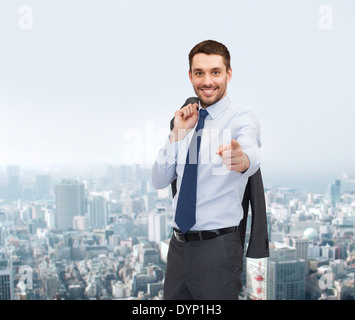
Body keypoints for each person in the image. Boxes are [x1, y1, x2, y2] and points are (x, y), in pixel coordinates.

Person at [151, 40, 262, 300]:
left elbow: (251, 154)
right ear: (191, 76)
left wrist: (241, 159)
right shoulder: (186, 121)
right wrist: (177, 133)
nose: (207, 81)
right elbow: (158, 179)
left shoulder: (241, 119)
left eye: (215, 72)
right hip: (178, 247)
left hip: (218, 249)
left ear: (228, 74)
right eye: (199, 73)